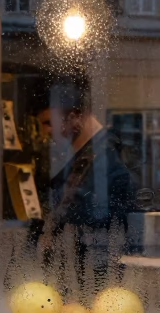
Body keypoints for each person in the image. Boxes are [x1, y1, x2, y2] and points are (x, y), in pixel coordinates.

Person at [28, 72, 139, 288]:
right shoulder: (87, 155)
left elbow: (100, 223)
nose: (45, 132)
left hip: (98, 282)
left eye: (49, 123)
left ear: (75, 117)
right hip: (84, 277)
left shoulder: (105, 158)